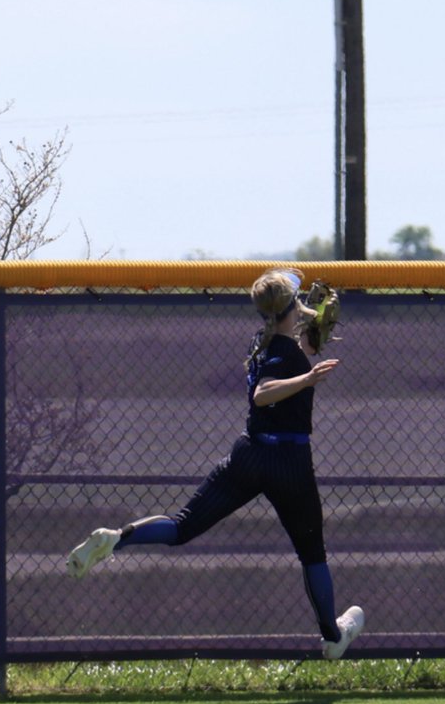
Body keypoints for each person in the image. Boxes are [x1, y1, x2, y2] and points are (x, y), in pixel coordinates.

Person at [66, 268, 364, 659]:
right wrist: (307, 379)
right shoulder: (285, 353)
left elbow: (297, 345)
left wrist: (311, 324)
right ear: (291, 307)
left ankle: (116, 539)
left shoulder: (265, 341)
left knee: (182, 525)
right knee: (312, 554)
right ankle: (332, 636)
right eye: (298, 300)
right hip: (289, 461)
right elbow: (263, 394)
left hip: (250, 452)